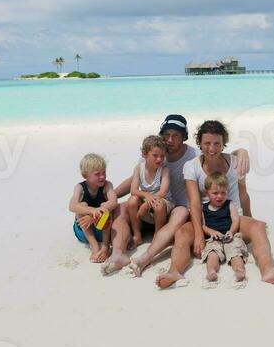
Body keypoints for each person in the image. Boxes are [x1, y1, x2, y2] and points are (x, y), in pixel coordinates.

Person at [101, 114, 250, 276]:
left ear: (184, 137)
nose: (170, 140)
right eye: (166, 135)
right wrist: (110, 198)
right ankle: (117, 254)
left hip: (174, 212)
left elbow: (217, 153)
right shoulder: (154, 152)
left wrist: (241, 151)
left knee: (181, 211)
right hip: (146, 210)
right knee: (120, 208)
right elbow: (134, 180)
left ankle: (146, 258)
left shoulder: (193, 156)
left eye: (175, 136)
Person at [155, 120, 274, 288]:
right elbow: (194, 203)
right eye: (207, 143)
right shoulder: (191, 166)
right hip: (205, 219)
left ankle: (268, 270)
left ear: (223, 145)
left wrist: (250, 220)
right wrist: (199, 235)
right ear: (199, 143)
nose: (212, 148)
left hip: (232, 217)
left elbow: (243, 195)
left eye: (217, 144)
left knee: (258, 227)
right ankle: (174, 271)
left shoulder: (236, 162)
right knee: (182, 233)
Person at [201, 172, 248, 287]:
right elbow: (202, 226)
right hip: (214, 238)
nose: (220, 196)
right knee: (212, 254)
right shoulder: (204, 208)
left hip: (229, 236)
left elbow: (236, 220)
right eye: (215, 193)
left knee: (235, 253)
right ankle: (212, 271)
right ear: (207, 192)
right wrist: (212, 232)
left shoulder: (229, 204)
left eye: (223, 193)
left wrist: (231, 232)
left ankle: (239, 270)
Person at [69, 153, 117, 263]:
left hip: (102, 228)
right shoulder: (80, 187)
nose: (102, 176)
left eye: (104, 172)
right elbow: (71, 206)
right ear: (85, 175)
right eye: (97, 174)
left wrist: (98, 212)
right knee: (82, 206)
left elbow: (114, 202)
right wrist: (92, 211)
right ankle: (94, 246)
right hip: (83, 231)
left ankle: (105, 247)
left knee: (106, 206)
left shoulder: (107, 185)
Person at [127, 135, 173, 247]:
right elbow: (133, 190)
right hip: (148, 200)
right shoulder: (139, 168)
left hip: (163, 201)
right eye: (155, 155)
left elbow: (163, 191)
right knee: (132, 200)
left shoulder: (164, 170)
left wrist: (147, 204)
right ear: (144, 154)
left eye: (162, 156)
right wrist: (146, 196)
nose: (159, 159)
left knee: (158, 204)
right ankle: (137, 235)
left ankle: (157, 235)